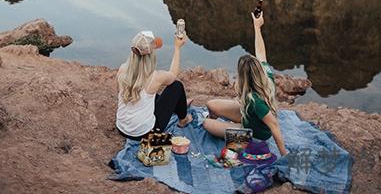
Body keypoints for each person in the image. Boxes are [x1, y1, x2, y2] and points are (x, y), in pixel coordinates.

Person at [203, 10, 288, 156]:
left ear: (243, 78)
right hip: (248, 116)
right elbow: (261, 52)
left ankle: (239, 135)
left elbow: (274, 125)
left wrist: (284, 153)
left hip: (254, 135)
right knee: (211, 105)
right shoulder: (266, 74)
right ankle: (230, 126)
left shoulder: (255, 100)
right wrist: (257, 26)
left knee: (206, 124)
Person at [116, 30, 192, 141]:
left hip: (121, 128)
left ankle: (178, 106)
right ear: (151, 54)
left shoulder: (122, 69)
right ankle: (183, 120)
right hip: (144, 133)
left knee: (148, 95)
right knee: (176, 86)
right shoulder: (155, 77)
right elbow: (173, 75)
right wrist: (177, 48)